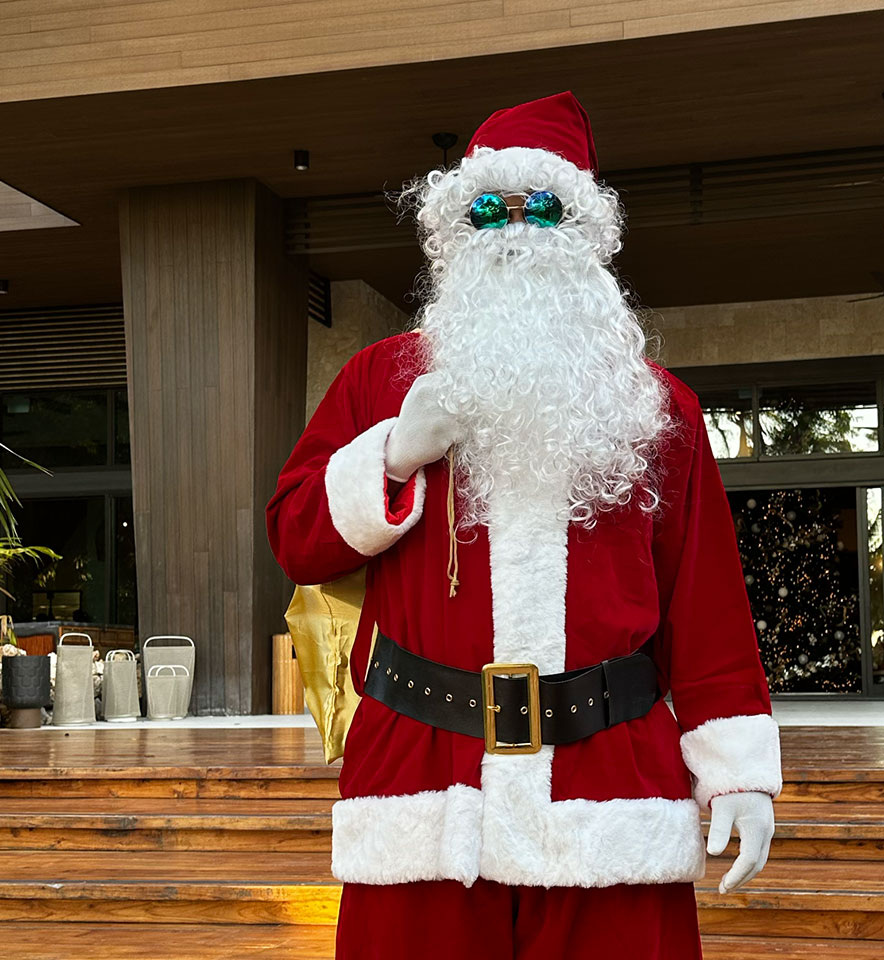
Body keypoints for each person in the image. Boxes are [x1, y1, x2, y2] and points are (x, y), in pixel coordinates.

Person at [266, 91, 779, 959]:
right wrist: (392, 454)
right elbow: (295, 534)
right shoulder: (377, 382)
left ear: (581, 229)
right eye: (486, 208)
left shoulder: (656, 408)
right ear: (455, 228)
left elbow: (707, 605)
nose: (511, 228)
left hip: (607, 788)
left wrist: (736, 773)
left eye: (539, 206)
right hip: (424, 790)